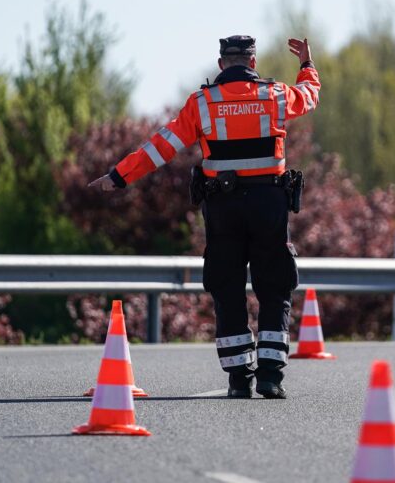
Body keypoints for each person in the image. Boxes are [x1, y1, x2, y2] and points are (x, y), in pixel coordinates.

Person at [89, 35, 320, 399]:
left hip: (223, 209)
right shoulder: (275, 94)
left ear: (220, 64)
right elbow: (309, 96)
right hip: (269, 205)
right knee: (274, 286)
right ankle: (271, 376)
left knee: (227, 288)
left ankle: (238, 378)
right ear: (253, 63)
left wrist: (118, 176)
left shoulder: (203, 102)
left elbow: (161, 146)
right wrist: (307, 64)